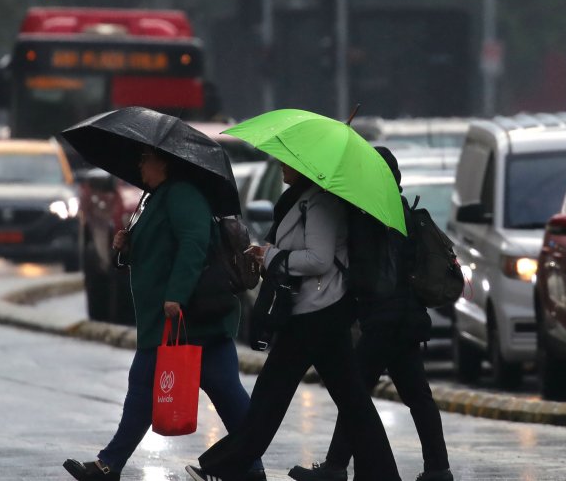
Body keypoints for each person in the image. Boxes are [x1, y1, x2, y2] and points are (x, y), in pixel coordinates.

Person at [186, 162, 401, 481]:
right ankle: (384, 475)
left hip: (315, 313)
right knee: (352, 401)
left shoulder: (320, 202)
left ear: (305, 166)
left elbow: (319, 258)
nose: (282, 167)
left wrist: (272, 257)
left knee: (270, 399)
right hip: (316, 312)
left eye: (288, 162)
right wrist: (268, 254)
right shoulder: (303, 199)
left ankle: (225, 469)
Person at [63, 148, 265, 481]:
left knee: (149, 385)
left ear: (165, 163)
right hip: (184, 318)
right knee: (224, 389)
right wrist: (128, 247)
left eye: (146, 159)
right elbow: (162, 245)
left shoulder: (183, 195)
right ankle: (251, 467)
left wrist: (176, 295)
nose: (140, 164)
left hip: (186, 314)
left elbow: (194, 243)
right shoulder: (158, 196)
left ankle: (108, 465)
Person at [289, 147, 452, 481]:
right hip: (404, 317)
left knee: (355, 394)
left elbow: (366, 273)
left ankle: (335, 467)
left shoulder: (369, 216)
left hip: (382, 320)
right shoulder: (399, 209)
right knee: (417, 396)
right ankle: (438, 468)